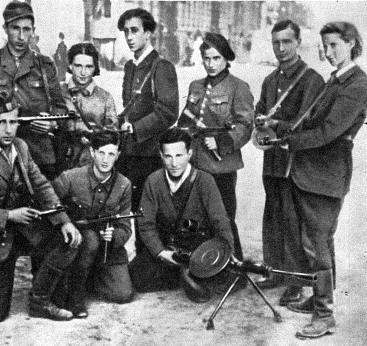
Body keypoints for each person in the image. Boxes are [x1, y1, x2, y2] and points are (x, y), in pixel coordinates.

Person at [0, 93, 82, 323]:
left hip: (22, 229)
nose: (8, 130)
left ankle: (40, 300)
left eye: (13, 122)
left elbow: (41, 185)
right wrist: (9, 216)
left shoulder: (21, 147)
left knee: (68, 239)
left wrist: (63, 220)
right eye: (1, 122)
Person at [279, 21, 367, 339]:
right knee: (319, 242)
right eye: (325, 46)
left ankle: (325, 314)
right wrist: (283, 127)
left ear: (351, 43)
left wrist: (290, 141)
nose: (328, 52)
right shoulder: (337, 79)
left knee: (318, 246)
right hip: (313, 174)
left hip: (326, 176)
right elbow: (313, 121)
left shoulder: (357, 84)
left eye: (334, 46)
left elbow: (330, 131)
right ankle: (320, 300)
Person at [254, 19, 325, 310]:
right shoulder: (271, 80)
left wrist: (274, 124)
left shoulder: (311, 79)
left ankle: (296, 283)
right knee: (273, 217)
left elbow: (306, 123)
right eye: (276, 43)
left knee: (293, 222)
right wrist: (259, 125)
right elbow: (260, 110)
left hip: (297, 162)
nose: (281, 48)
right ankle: (274, 272)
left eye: (286, 42)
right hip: (273, 160)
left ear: (297, 42)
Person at [0, 1, 68, 180]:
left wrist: (52, 124)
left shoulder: (44, 65)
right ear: (5, 28)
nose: (21, 36)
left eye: (27, 29)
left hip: (38, 153)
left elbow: (60, 107)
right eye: (15, 28)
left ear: (33, 30)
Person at [129, 128, 234, 301]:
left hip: (199, 244)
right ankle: (186, 274)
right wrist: (161, 253)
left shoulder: (204, 180)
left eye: (179, 156)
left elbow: (220, 220)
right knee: (138, 278)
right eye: (168, 156)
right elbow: (146, 224)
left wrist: (224, 254)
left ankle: (191, 272)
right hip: (169, 246)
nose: (174, 163)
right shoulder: (153, 181)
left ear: (189, 154)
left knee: (225, 278)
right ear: (161, 156)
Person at [178, 32, 254, 265]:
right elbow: (186, 120)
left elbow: (245, 125)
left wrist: (222, 141)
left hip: (222, 164)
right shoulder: (196, 86)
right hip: (197, 163)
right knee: (196, 217)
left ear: (226, 59)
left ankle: (233, 267)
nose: (211, 64)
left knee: (223, 218)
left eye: (216, 58)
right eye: (207, 59)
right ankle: (205, 266)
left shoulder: (238, 87)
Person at [53, 130, 133, 318]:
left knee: (122, 294)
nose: (106, 160)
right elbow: (49, 203)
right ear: (92, 152)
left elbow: (125, 226)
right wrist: (65, 223)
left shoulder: (124, 184)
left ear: (118, 155)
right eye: (101, 153)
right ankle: (75, 296)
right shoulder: (71, 177)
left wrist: (114, 236)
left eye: (111, 154)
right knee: (89, 239)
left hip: (107, 249)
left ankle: (90, 279)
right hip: (75, 245)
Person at [117, 8, 179, 213]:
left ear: (147, 33)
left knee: (149, 216)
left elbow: (168, 112)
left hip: (150, 156)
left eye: (134, 31)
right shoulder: (130, 66)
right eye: (125, 31)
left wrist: (135, 128)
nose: (129, 37)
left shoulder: (161, 67)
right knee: (130, 212)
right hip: (129, 153)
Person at [58, 42, 118, 170]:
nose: (83, 72)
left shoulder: (105, 98)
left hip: (92, 166)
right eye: (78, 66)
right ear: (70, 66)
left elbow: (112, 136)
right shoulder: (58, 92)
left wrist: (94, 137)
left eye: (89, 66)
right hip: (61, 164)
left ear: (95, 68)